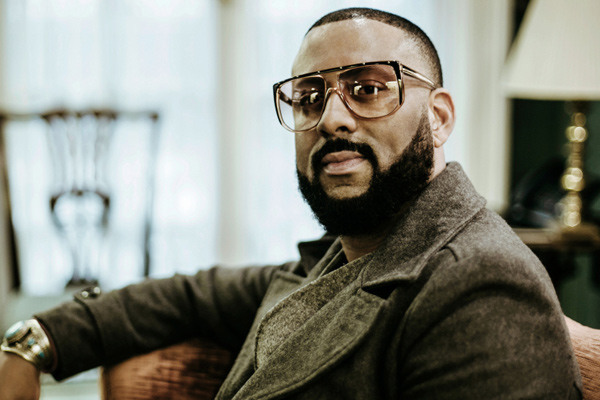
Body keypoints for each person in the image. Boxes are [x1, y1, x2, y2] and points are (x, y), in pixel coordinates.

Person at [0, 7, 583, 399]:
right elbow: (191, 296)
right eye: (309, 96)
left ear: (439, 116)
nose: (330, 118)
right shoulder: (343, 258)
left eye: (368, 88)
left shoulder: (481, 285)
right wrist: (34, 343)